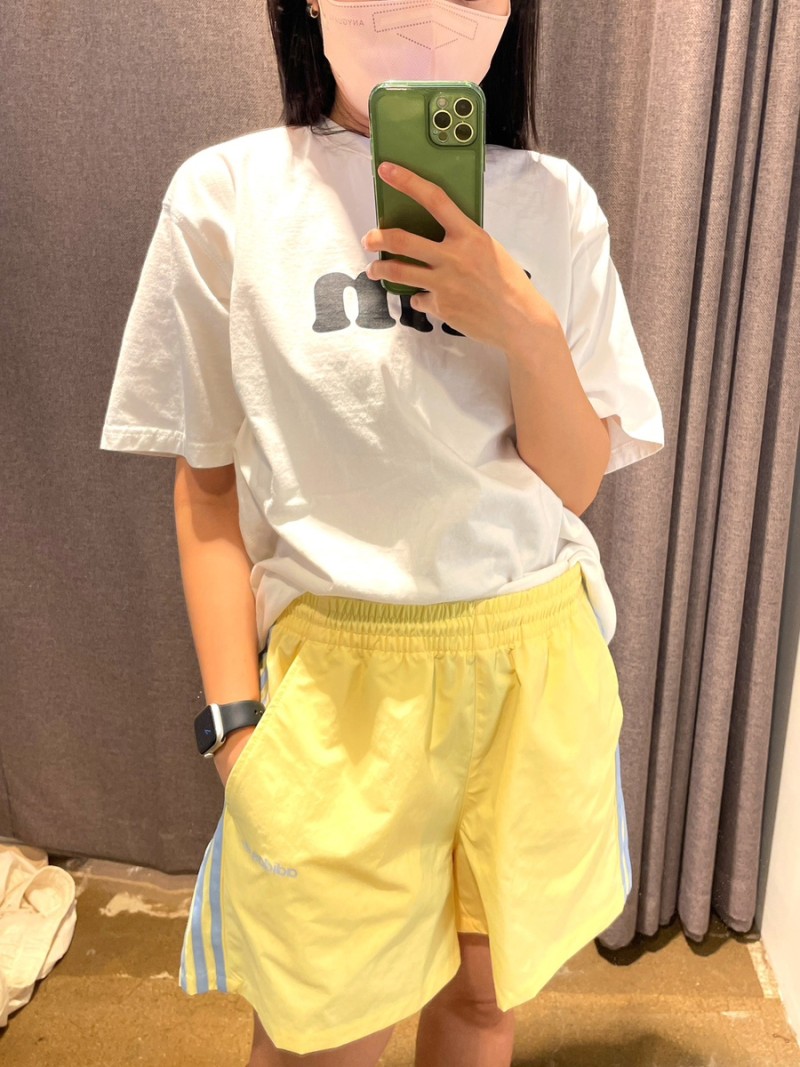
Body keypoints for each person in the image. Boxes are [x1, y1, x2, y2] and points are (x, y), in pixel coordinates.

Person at [99, 0, 665, 1061]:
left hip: (532, 670)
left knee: (484, 1000)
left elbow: (576, 481)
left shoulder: (553, 201)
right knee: (325, 1029)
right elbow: (207, 489)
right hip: (338, 692)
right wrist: (234, 729)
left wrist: (524, 323)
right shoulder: (229, 196)